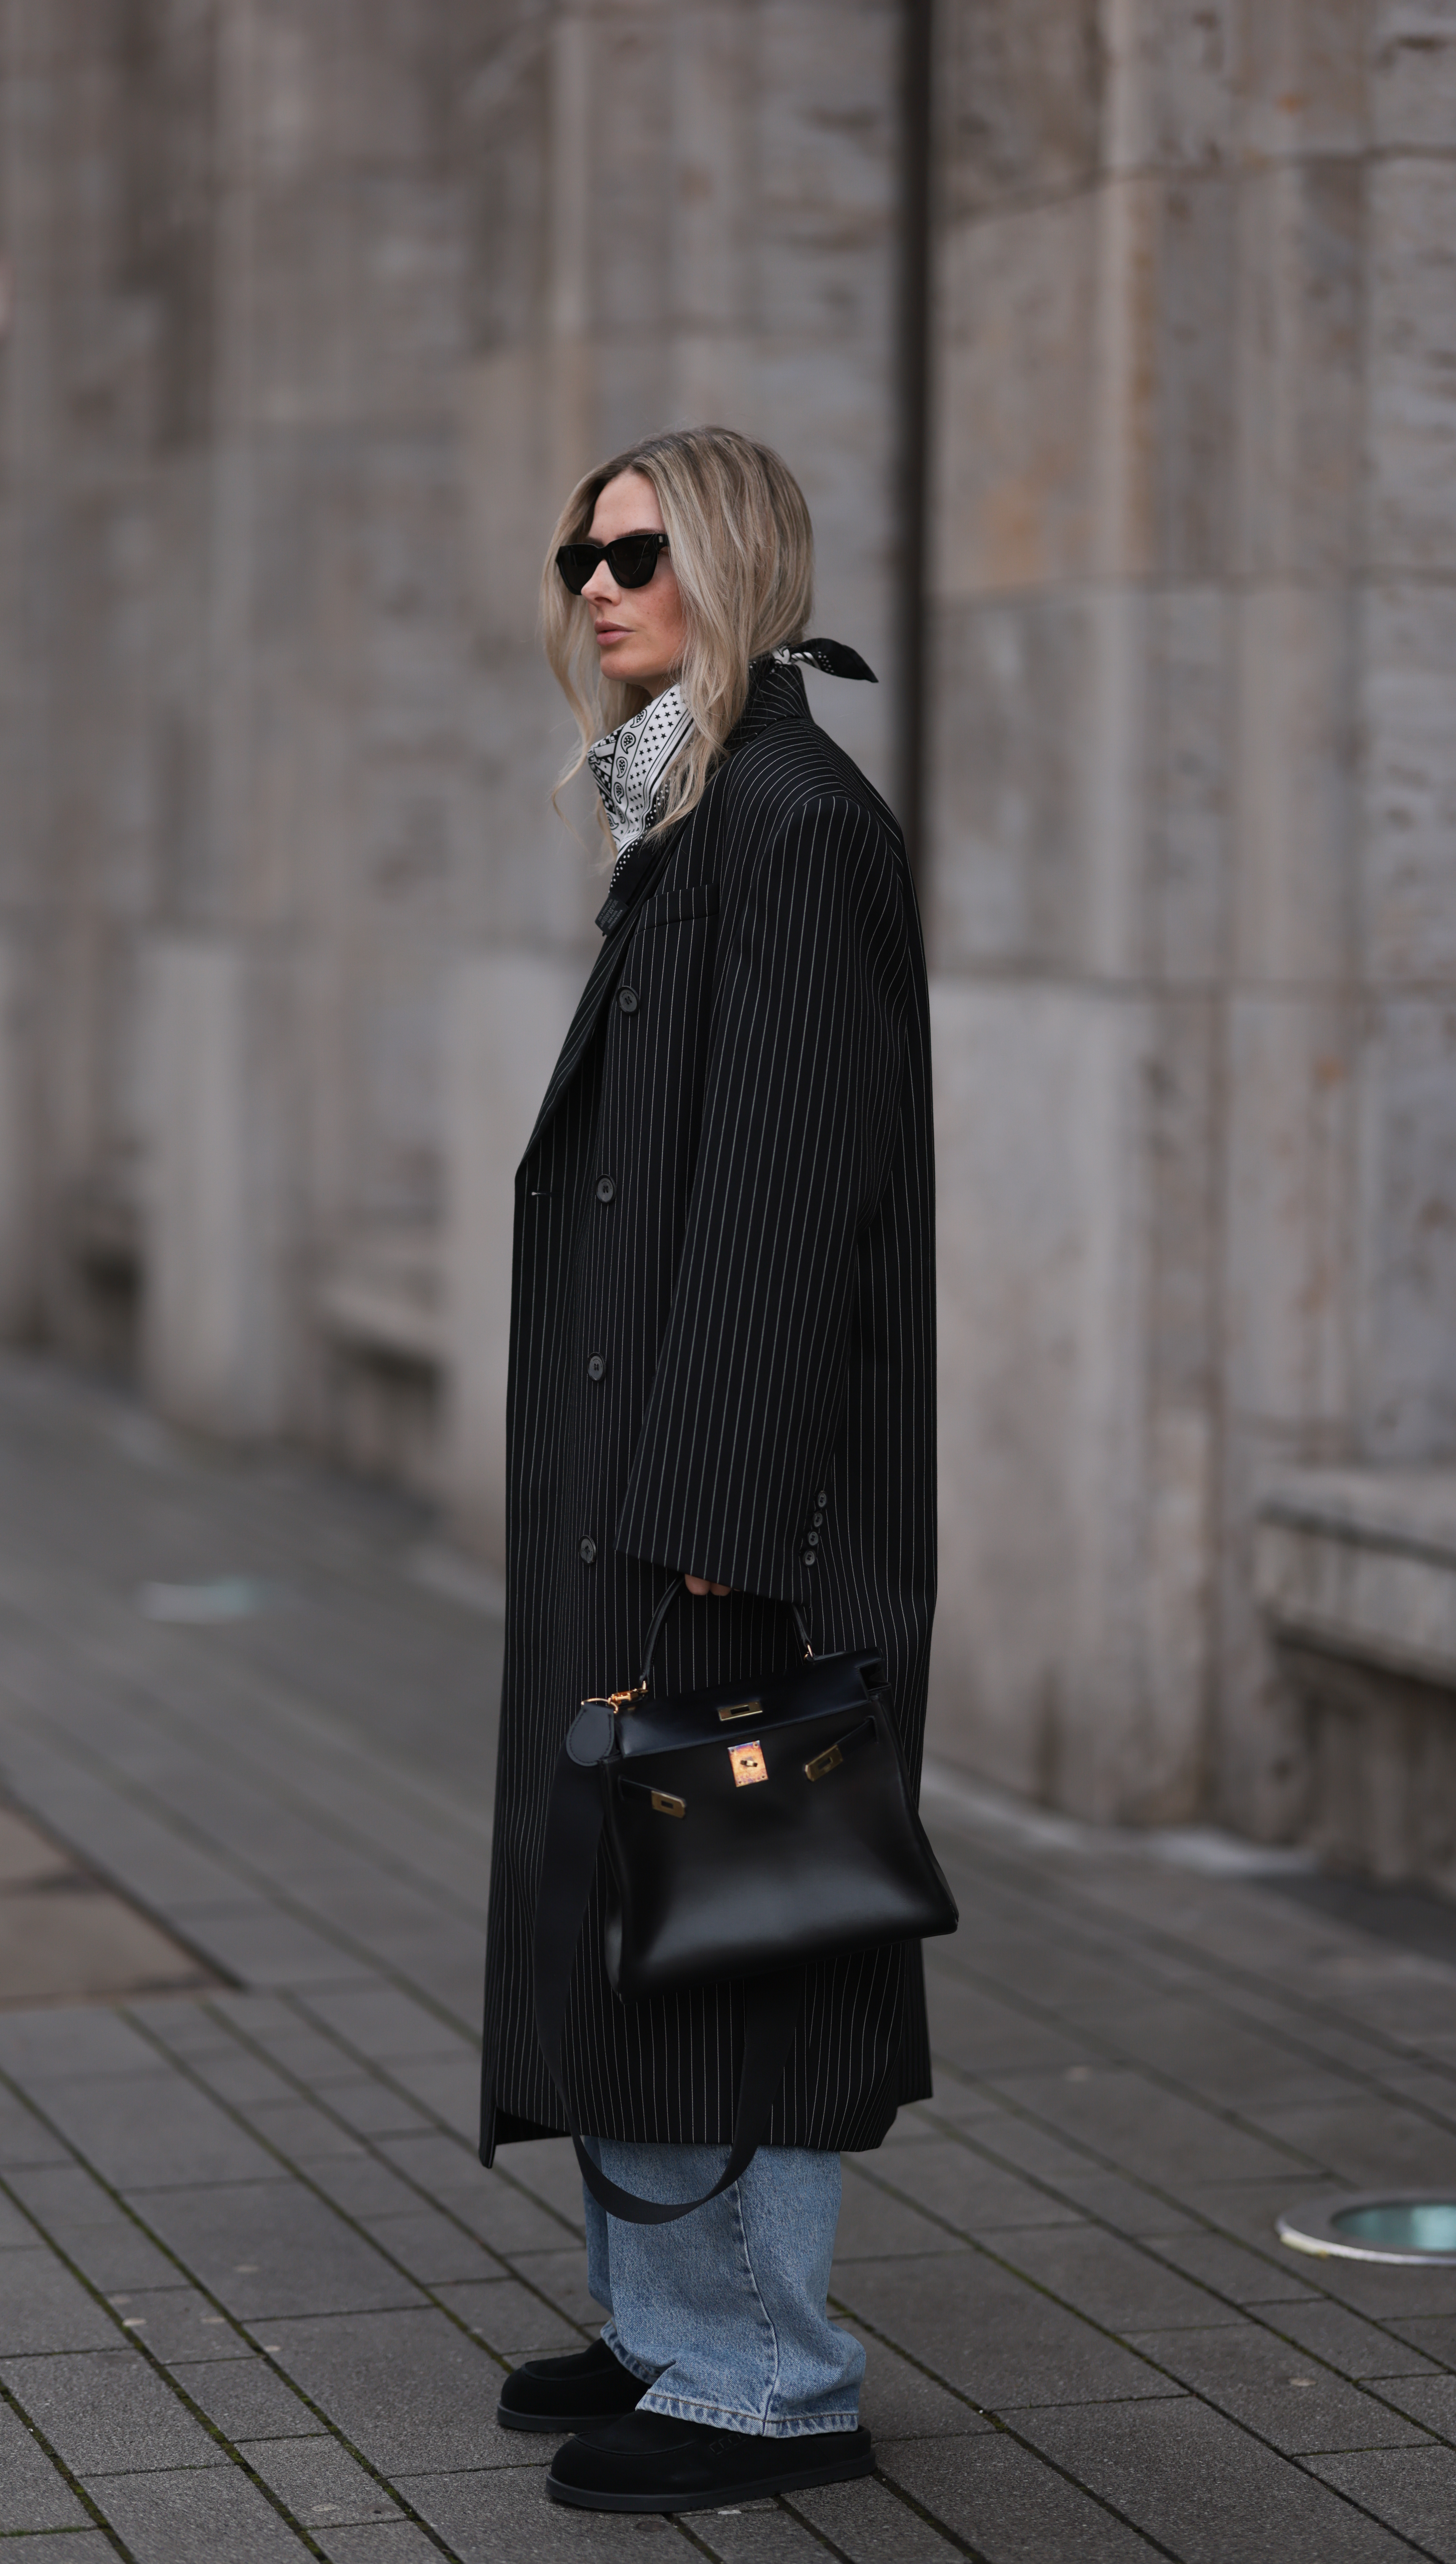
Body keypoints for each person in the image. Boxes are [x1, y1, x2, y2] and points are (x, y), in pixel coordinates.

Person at [478, 425, 936, 2516]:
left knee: (727, 1915)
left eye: (640, 549)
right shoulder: (693, 808)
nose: (597, 582)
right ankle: (671, 2319)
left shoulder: (787, 819)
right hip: (642, 1485)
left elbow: (785, 1201)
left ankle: (762, 2370)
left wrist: (715, 1543)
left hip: (716, 1509)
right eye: (579, 551)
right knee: (629, 1901)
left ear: (730, 557)